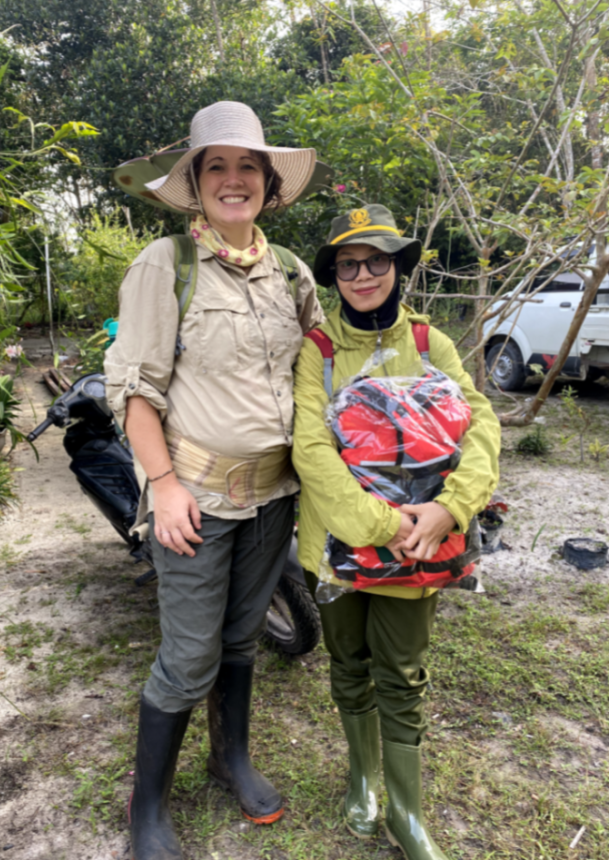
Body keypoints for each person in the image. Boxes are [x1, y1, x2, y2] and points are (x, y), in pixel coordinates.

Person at [104, 101, 324, 860]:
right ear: (194, 184)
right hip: (193, 496)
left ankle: (228, 758)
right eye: (215, 167)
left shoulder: (290, 271)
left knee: (239, 638)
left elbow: (319, 371)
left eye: (247, 166)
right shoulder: (166, 266)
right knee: (190, 654)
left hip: (275, 496)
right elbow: (136, 390)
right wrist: (161, 484)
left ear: (268, 182)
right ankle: (149, 808)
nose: (233, 179)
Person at [292, 205, 500, 860]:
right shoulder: (318, 350)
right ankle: (362, 780)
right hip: (339, 545)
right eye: (348, 264)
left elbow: (479, 423)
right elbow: (310, 447)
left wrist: (451, 508)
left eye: (376, 261)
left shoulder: (431, 343)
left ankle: (406, 814)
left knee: (402, 673)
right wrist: (380, 523)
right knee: (347, 663)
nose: (362, 275)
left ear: (397, 268)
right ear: (333, 275)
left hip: (420, 548)